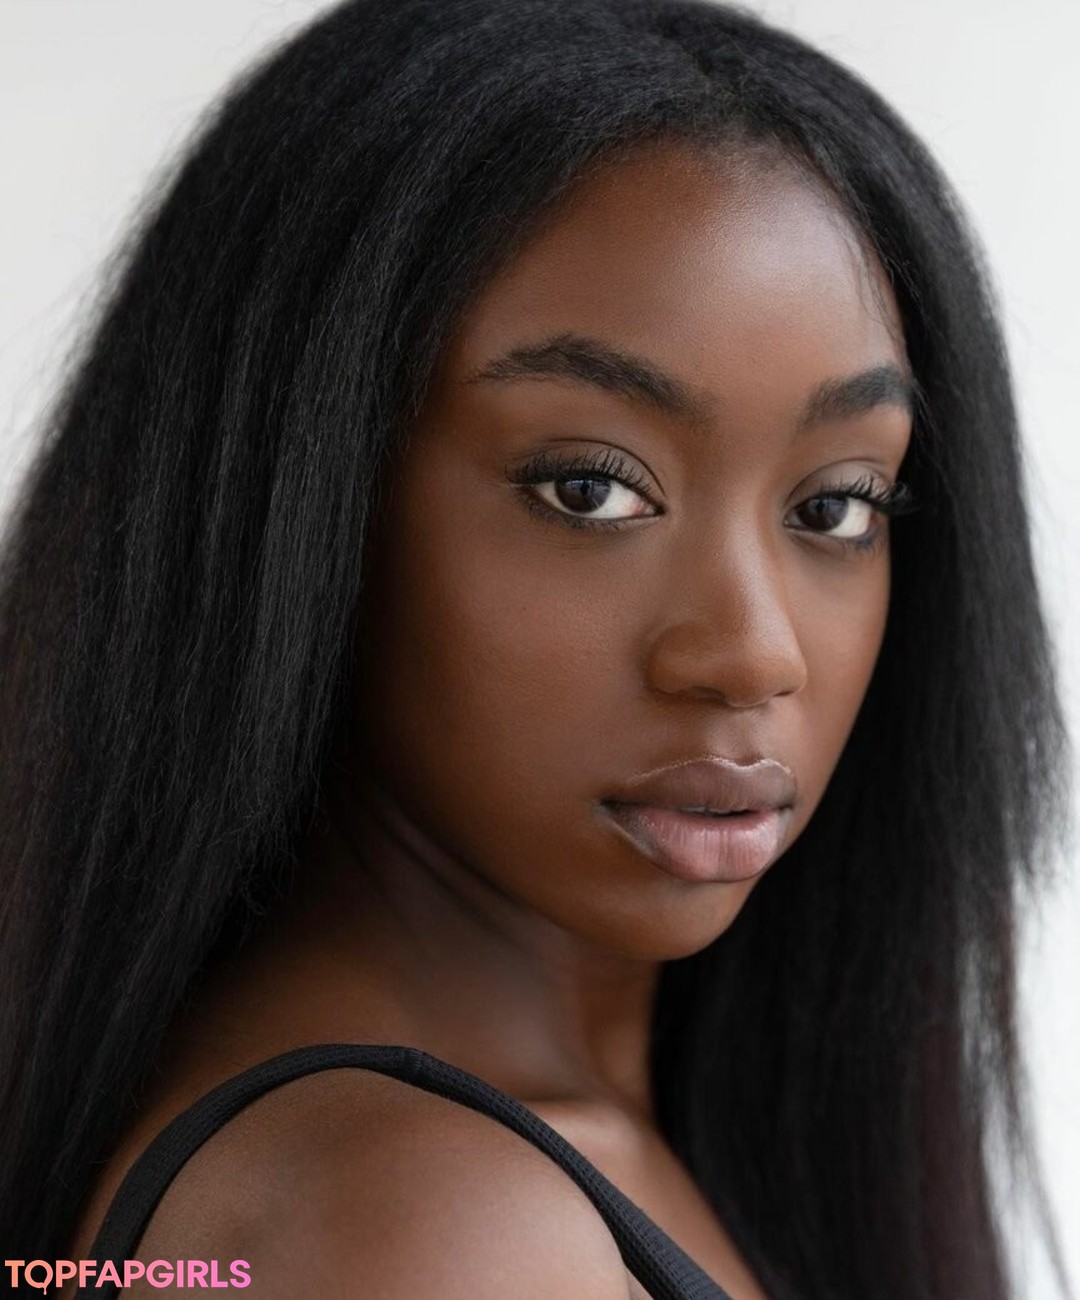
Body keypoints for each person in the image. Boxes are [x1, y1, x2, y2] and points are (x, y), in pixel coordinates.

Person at [0, 0, 1072, 1296]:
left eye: (836, 507)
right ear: (294, 503)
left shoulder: (579, 1154)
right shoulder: (431, 1225)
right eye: (588, 489)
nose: (753, 655)